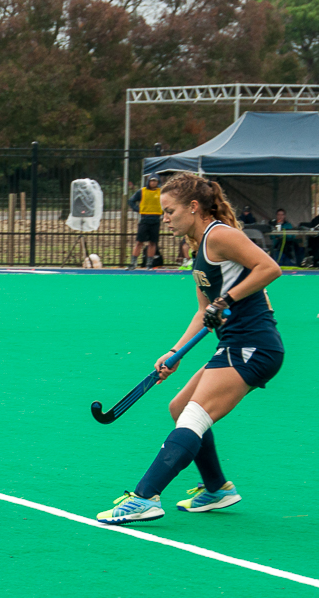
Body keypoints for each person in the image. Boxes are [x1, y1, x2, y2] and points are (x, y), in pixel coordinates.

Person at [96, 172, 284, 525]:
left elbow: (269, 267)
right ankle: (217, 488)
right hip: (234, 343)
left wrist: (226, 299)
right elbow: (203, 311)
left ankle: (145, 496)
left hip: (254, 345)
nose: (164, 219)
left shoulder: (221, 236)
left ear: (193, 207)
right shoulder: (200, 250)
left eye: (170, 211)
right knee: (179, 406)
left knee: (194, 416)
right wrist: (175, 352)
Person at [127, 175, 162, 270]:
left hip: (155, 219)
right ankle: (133, 263)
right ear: (148, 182)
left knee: (153, 242)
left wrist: (163, 211)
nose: (153, 183)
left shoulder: (161, 192)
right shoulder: (142, 191)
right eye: (152, 181)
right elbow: (131, 201)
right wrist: (138, 209)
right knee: (139, 242)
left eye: (155, 181)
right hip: (144, 219)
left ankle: (149, 264)